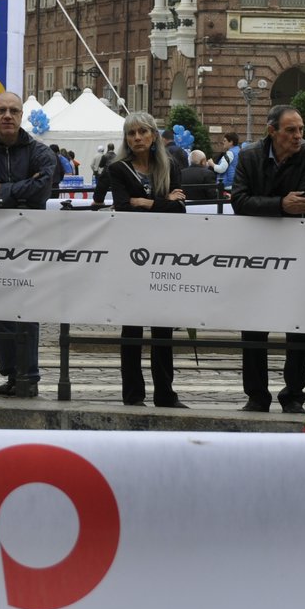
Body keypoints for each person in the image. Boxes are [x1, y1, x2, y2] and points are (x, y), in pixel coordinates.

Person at [230, 104, 305, 413]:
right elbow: (239, 202)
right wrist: (281, 205)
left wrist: (269, 206)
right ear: (272, 131)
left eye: (301, 130)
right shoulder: (249, 156)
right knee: (253, 324)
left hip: (297, 251)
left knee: (299, 324)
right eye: (291, 130)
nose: (298, 136)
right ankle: (256, 395)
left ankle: (293, 395)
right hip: (256, 250)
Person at [0, 90, 57, 398]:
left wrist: (1, 189)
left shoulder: (40, 151)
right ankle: (12, 373)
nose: (7, 115)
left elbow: (42, 190)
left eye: (13, 110)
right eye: (1, 110)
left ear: (21, 116)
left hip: (29, 241)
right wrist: (20, 189)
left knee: (26, 308)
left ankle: (28, 375)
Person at [107, 110, 188, 408]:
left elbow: (179, 210)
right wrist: (163, 202)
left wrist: (146, 201)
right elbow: (124, 209)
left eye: (143, 132)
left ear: (154, 135)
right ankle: (133, 394)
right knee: (132, 327)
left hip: (165, 254)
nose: (137, 138)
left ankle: (165, 393)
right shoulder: (118, 170)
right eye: (131, 133)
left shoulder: (170, 166)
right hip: (132, 254)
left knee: (162, 326)